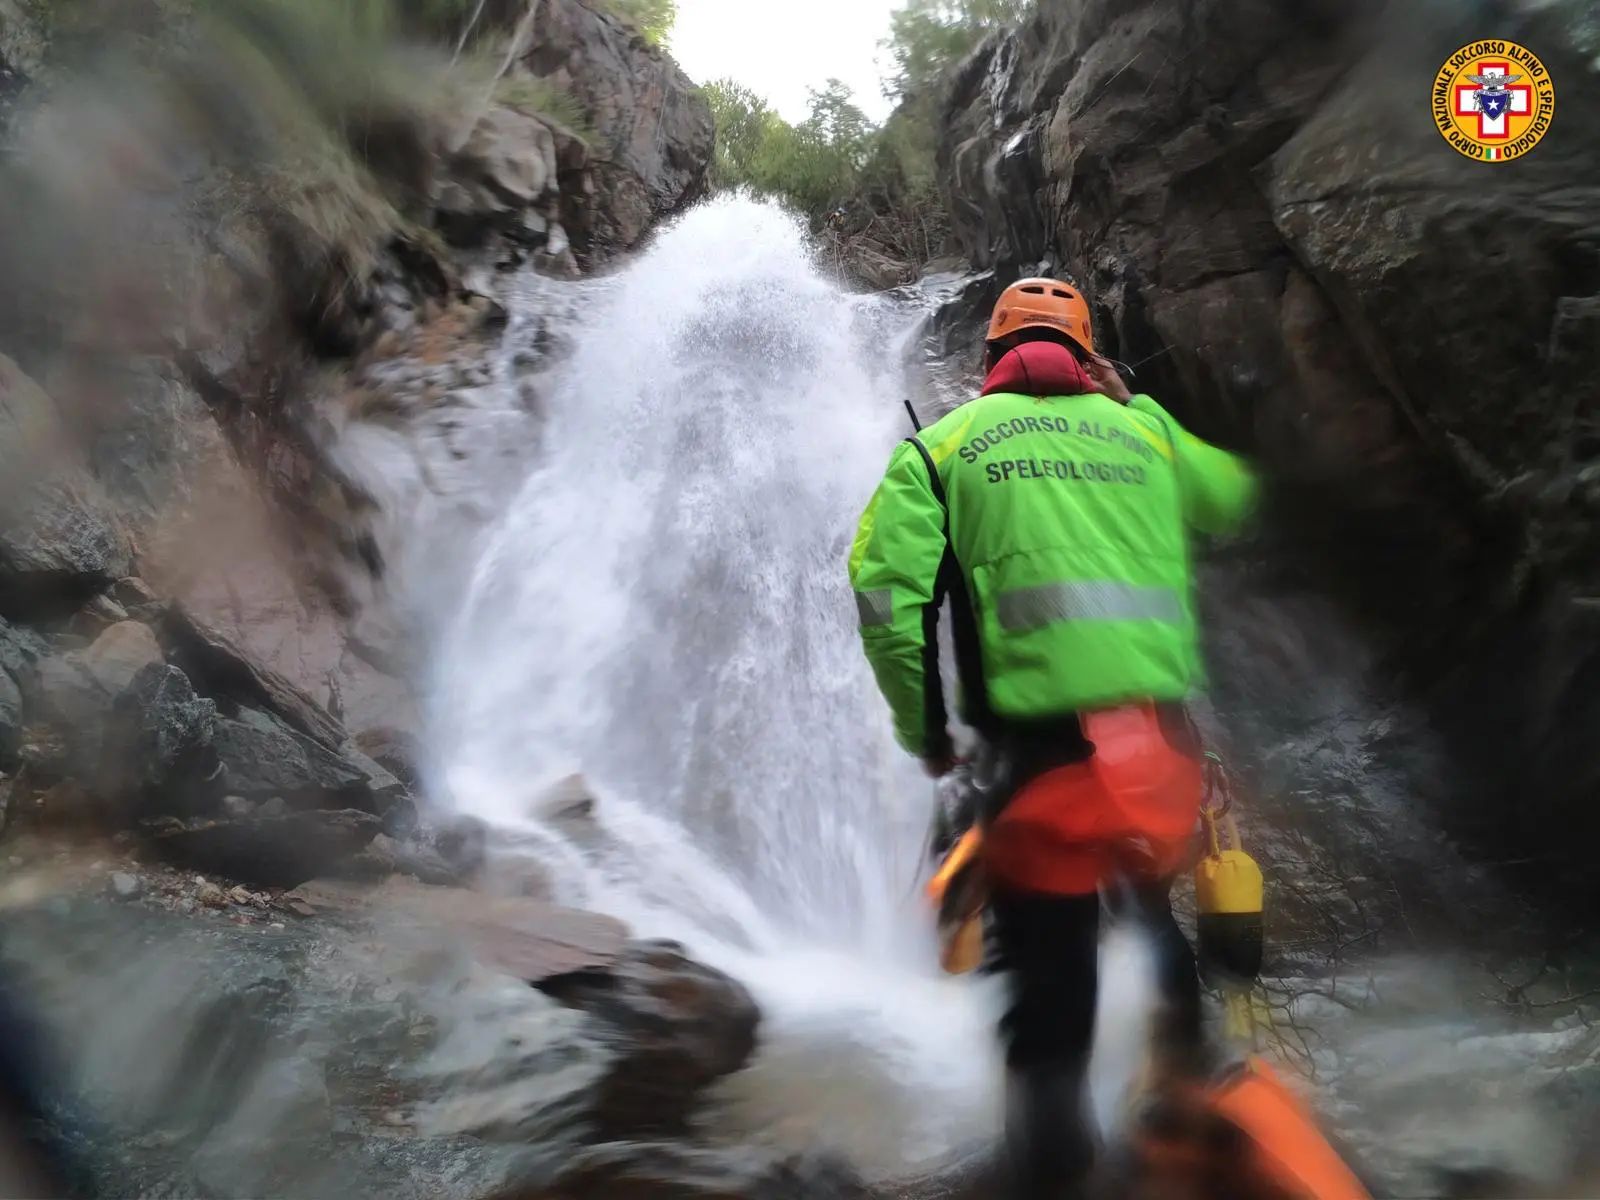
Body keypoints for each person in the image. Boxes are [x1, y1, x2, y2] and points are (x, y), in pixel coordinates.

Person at [847, 277, 1258, 1198]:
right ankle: (1188, 1097)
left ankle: (1053, 1161)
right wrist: (1137, 404)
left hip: (1044, 761)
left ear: (991, 358)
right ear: (1086, 355)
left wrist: (927, 735)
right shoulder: (1142, 426)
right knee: (1153, 917)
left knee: (1049, 968)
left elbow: (886, 602)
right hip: (1162, 753)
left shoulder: (939, 449)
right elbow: (1233, 500)